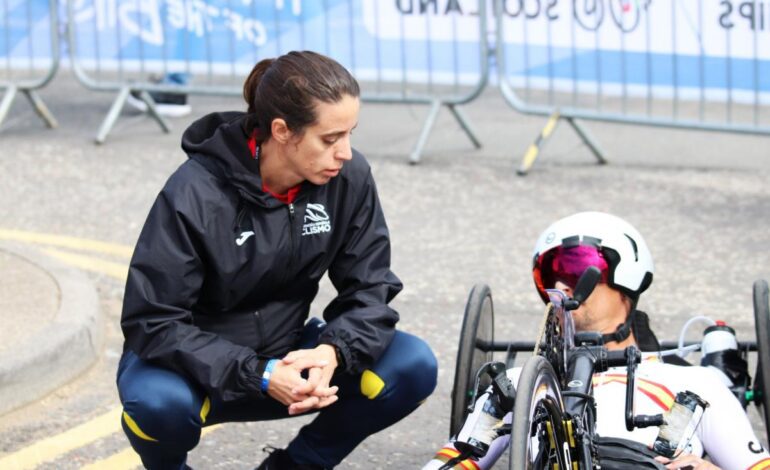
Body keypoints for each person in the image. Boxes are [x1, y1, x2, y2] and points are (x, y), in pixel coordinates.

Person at [117, 50, 438, 470]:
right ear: (282, 131)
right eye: (329, 139)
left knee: (412, 364)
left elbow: (371, 289)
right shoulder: (195, 191)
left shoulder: (349, 177)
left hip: (288, 353)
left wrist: (332, 351)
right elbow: (153, 320)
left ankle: (297, 467)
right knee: (158, 406)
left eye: (349, 134)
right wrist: (258, 373)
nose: (344, 152)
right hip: (196, 370)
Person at [425, 211, 770, 470]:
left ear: (627, 275)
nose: (560, 287)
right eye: (550, 274)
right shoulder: (519, 387)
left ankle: (724, 356)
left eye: (575, 269)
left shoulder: (693, 384)